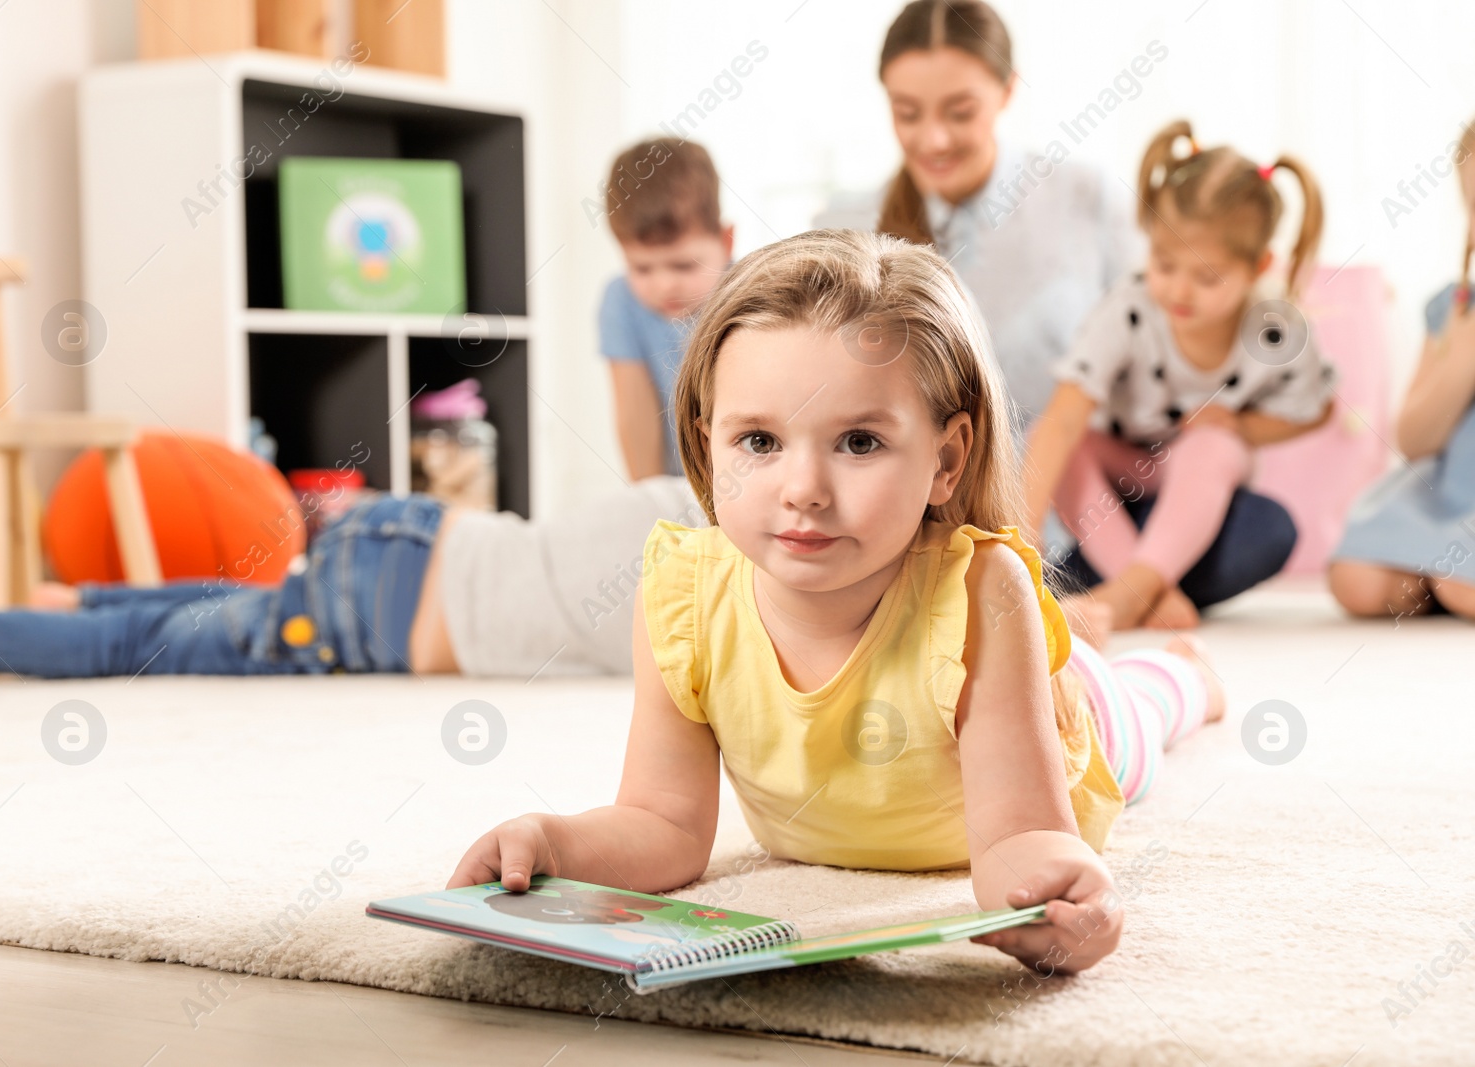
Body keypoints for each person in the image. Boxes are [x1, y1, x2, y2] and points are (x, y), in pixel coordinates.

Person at [448, 231, 1224, 976]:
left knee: (1137, 710)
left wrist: (1054, 896)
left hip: (1068, 721)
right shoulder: (681, 593)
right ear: (707, 442)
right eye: (758, 441)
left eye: (858, 442)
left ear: (947, 461)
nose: (804, 491)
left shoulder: (984, 591)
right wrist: (553, 841)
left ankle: (1186, 675)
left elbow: (1019, 833)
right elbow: (664, 824)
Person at [816, 0, 1299, 609]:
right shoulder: (848, 228)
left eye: (960, 111)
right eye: (907, 113)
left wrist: (1224, 418)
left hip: (1092, 499)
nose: (933, 138)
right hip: (928, 506)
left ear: (1007, 91)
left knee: (1265, 528)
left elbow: (1167, 332)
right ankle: (1092, 592)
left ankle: (1106, 588)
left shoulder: (1084, 193)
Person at [0, 477, 701, 679]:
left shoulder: (689, 494)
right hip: (377, 617)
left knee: (250, 607)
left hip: (414, 526)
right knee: (138, 646)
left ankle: (82, 595)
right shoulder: (708, 612)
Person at [1022, 120, 1333, 631]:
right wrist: (1022, 541)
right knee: (1062, 446)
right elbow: (1061, 422)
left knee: (1223, 459)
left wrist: (1243, 427)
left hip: (1198, 492)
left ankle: (1130, 593)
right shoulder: (1129, 309)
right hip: (1122, 491)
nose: (1180, 291)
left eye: (1206, 277)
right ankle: (1144, 594)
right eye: (1165, 264)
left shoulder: (1276, 327)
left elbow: (1316, 408)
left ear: (1259, 268)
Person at [1329, 120, 1475, 622]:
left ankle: (1447, 580)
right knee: (1357, 582)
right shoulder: (1454, 311)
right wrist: (1460, 364)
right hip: (1454, 498)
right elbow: (1413, 439)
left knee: (1462, 586)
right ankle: (1437, 574)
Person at [599, 139, 734, 479]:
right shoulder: (621, 300)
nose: (663, 286)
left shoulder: (753, 291)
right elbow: (634, 416)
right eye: (642, 268)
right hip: (677, 486)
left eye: (683, 266)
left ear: (726, 240)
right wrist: (650, 499)